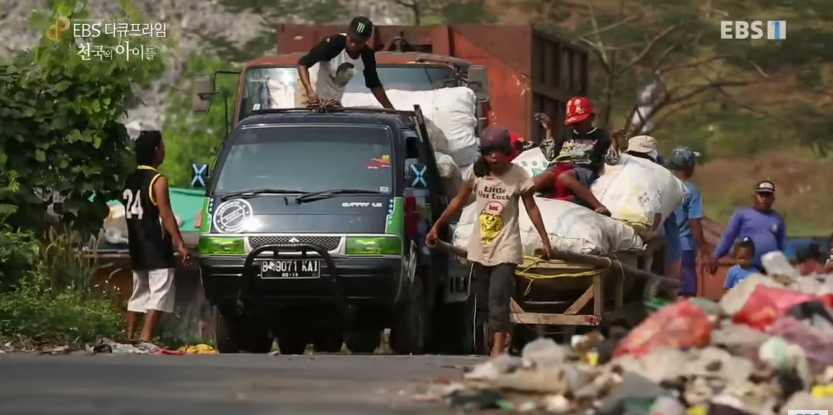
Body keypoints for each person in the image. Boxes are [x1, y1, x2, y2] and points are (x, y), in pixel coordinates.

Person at [426, 126, 552, 357]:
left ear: (507, 152)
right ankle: (492, 340)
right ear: (483, 152)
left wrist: (545, 240)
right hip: (480, 247)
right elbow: (458, 202)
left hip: (506, 247)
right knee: (481, 299)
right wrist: (438, 225)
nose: (494, 156)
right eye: (489, 151)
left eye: (499, 151)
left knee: (498, 298)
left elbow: (531, 208)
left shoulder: (519, 175)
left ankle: (497, 350)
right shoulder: (477, 173)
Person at [123, 131, 191, 342]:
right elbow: (166, 214)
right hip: (155, 245)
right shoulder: (158, 180)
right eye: (162, 147)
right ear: (155, 152)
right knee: (160, 292)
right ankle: (146, 337)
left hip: (136, 244)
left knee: (139, 293)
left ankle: (130, 335)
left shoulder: (130, 179)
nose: (164, 150)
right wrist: (180, 243)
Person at [532, 97, 616, 215]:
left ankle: (598, 205)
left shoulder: (601, 135)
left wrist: (615, 143)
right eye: (574, 123)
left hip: (581, 168)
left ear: (591, 117)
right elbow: (550, 155)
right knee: (536, 181)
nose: (577, 125)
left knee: (564, 177)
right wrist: (549, 130)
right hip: (558, 165)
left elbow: (611, 159)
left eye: (581, 122)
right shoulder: (567, 134)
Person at [296, 16, 394, 109]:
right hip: (310, 91)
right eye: (352, 39)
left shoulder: (366, 56)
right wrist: (310, 91)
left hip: (332, 100)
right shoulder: (334, 43)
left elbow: (374, 85)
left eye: (359, 42)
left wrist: (390, 109)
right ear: (348, 33)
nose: (353, 44)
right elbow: (302, 64)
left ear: (366, 41)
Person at [621, 136, 683, 282]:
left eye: (643, 156)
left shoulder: (661, 175)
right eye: (636, 156)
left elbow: (668, 221)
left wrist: (674, 260)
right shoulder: (617, 170)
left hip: (652, 233)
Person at [667, 146, 714, 297]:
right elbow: (695, 224)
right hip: (684, 247)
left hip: (664, 246)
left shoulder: (663, 186)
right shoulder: (691, 191)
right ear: (687, 166)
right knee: (686, 291)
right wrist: (703, 250)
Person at [711, 180, 786, 274]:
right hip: (747, 267)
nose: (764, 198)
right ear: (754, 196)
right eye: (761, 195)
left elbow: (781, 245)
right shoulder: (742, 214)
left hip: (769, 269)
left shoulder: (777, 218)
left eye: (767, 195)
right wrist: (716, 257)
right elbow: (729, 236)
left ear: (773, 199)